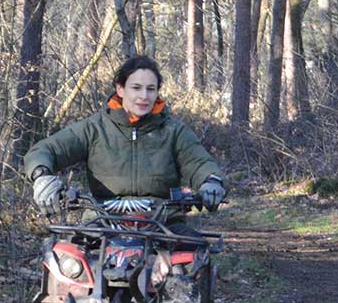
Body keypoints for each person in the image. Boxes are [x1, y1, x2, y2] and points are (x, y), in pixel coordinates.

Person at [24, 55, 227, 220]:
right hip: (102, 220)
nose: (144, 96)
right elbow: (45, 150)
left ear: (157, 93)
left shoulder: (174, 131)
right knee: (66, 261)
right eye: (136, 88)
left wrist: (211, 182)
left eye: (151, 89)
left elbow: (199, 162)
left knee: (192, 262)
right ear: (120, 89)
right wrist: (42, 176)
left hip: (164, 221)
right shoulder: (94, 128)